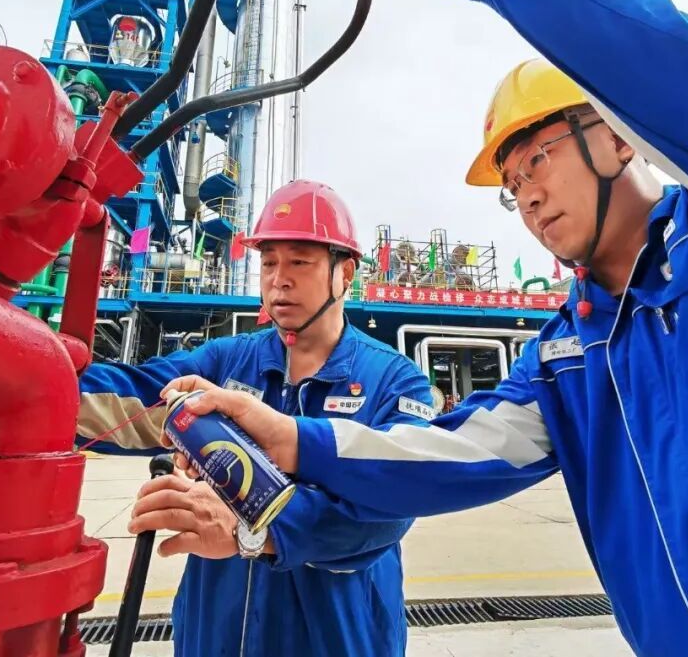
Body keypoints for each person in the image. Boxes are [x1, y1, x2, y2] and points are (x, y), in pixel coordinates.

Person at [169, 0, 688, 657]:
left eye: (539, 156)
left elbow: (668, 68)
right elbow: (455, 449)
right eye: (511, 183)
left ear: (619, 136)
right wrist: (296, 439)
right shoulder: (573, 356)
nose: (526, 194)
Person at [77, 179, 435, 657]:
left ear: (344, 273)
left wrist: (254, 526)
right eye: (268, 262)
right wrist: (26, 378)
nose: (278, 279)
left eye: (299, 262)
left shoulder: (393, 380)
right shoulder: (227, 363)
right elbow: (132, 399)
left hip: (337, 638)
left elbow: (388, 510)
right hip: (217, 635)